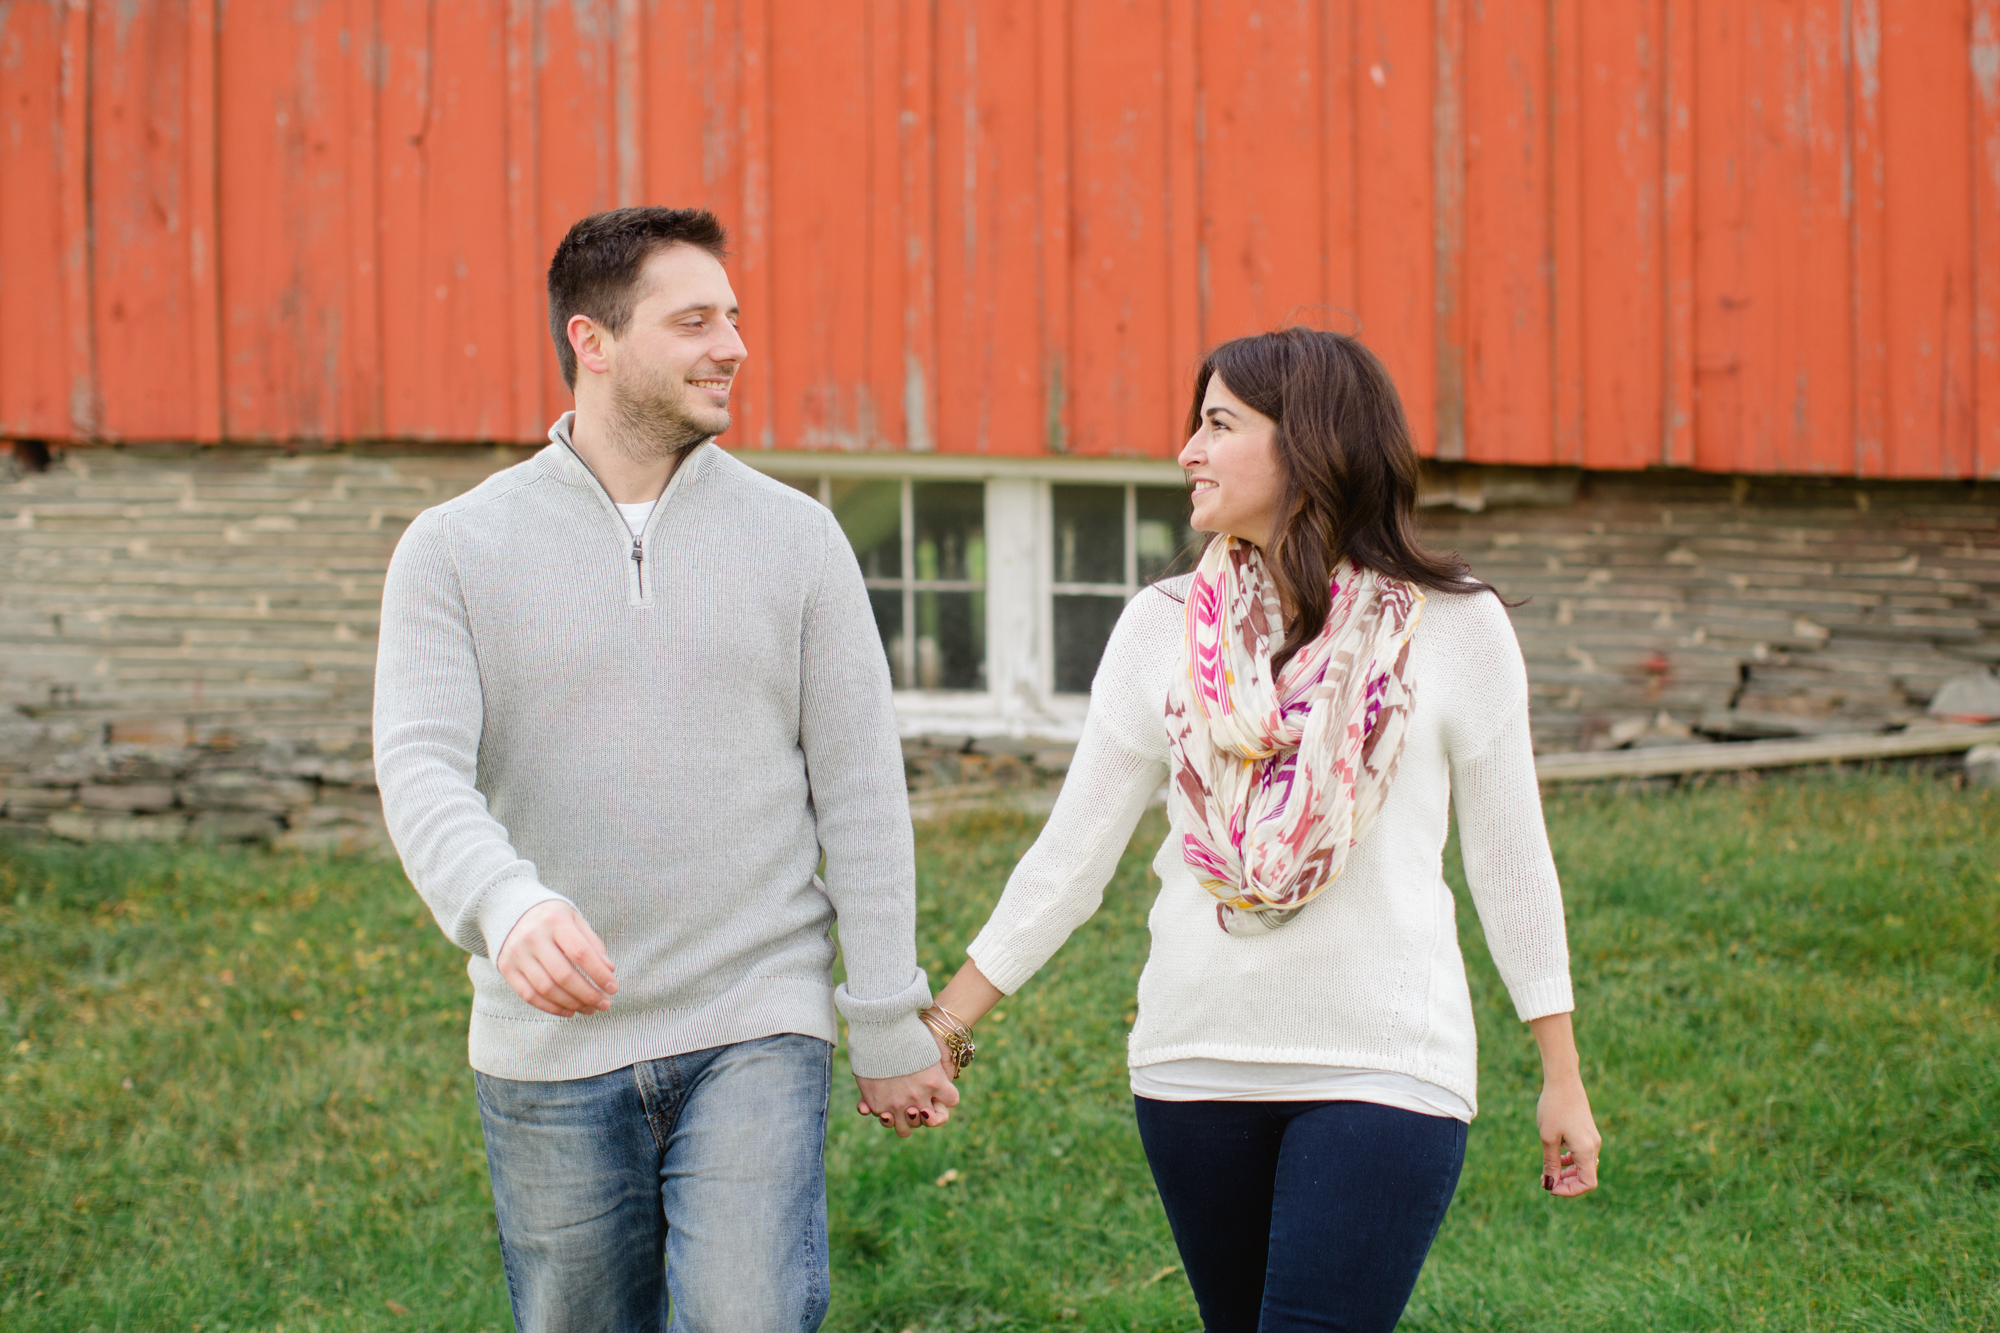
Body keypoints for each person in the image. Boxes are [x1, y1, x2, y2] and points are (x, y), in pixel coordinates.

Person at [914, 328, 1602, 1331]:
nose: (1186, 450)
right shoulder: (1160, 626)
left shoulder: (1453, 628)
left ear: (1308, 445)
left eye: (1218, 425)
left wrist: (1560, 1074)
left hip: (1384, 1067)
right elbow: (1070, 859)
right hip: (1193, 1066)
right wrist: (945, 1027)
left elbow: (1510, 863)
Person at [373, 206, 958, 1333]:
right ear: (593, 343)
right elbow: (419, 764)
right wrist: (505, 905)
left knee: (749, 1313)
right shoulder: (453, 548)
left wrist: (884, 1020)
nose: (731, 345)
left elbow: (860, 793)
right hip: (548, 1042)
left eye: (732, 318)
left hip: (755, 1010)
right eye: (693, 321)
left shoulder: (797, 540)